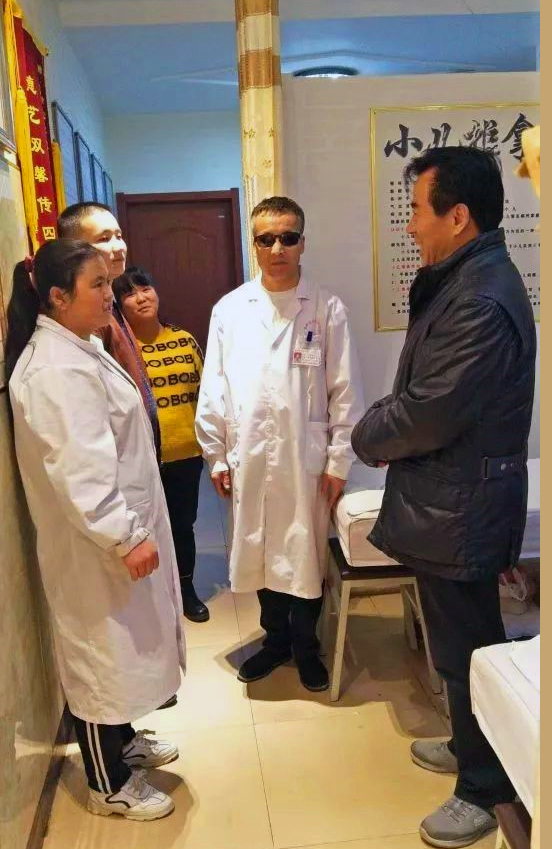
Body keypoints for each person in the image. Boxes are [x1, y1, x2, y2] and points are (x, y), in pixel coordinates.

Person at [351, 147, 536, 848]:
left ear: (457, 217)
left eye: (416, 212)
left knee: (468, 647)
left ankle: (484, 788)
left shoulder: (481, 298)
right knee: (457, 641)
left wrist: (369, 434)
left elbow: (430, 410)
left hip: (463, 504)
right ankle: (470, 743)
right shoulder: (464, 278)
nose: (410, 227)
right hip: (451, 497)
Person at [6, 240, 186, 821]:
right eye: (98, 285)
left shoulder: (80, 347)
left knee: (121, 652)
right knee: (99, 661)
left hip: (113, 533)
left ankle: (123, 742)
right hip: (93, 547)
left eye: (109, 283)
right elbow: (80, 471)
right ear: (58, 297)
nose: (112, 295)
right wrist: (123, 536)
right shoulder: (54, 371)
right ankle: (108, 783)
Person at [196, 196, 364, 692]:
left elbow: (346, 391)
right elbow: (214, 386)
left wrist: (338, 461)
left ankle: (306, 647)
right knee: (259, 550)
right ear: (253, 244)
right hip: (247, 455)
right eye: (266, 239)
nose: (277, 248)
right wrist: (216, 455)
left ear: (302, 243)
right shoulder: (230, 310)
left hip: (305, 460)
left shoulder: (327, 308)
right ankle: (274, 642)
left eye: (288, 238)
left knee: (305, 554)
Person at [113, 267, 209, 623]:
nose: (141, 298)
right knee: (145, 529)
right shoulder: (118, 351)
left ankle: (186, 590)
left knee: (183, 526)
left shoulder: (184, 340)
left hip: (186, 455)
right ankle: (154, 597)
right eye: (129, 293)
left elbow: (206, 396)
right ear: (118, 304)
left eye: (145, 288)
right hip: (142, 459)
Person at [57, 203, 161, 460]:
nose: (118, 246)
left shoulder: (110, 303)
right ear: (74, 249)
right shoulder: (87, 317)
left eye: (119, 235)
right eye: (104, 239)